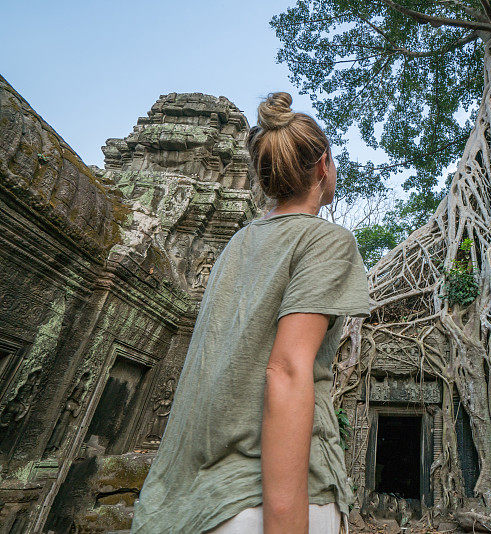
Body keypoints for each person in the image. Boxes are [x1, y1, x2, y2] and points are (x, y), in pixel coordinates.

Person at [131, 92, 371, 534]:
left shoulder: (235, 246)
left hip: (193, 503)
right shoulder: (327, 241)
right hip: (274, 503)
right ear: (323, 167)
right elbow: (286, 370)